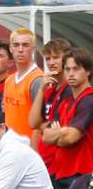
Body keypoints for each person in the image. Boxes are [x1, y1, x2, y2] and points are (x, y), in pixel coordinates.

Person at [42, 48, 93, 189]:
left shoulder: (89, 100)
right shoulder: (65, 102)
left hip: (82, 176)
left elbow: (70, 138)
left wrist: (59, 133)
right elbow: (46, 136)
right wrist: (60, 134)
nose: (71, 74)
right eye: (67, 69)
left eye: (76, 69)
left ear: (88, 71)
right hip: (60, 173)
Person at [29, 38, 73, 179]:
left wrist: (45, 127)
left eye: (56, 57)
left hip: (63, 164)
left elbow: (61, 129)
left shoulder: (71, 89)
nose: (51, 63)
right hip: (46, 161)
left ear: (67, 58)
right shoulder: (49, 88)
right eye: (47, 59)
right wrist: (41, 89)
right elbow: (33, 123)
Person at [3, 28, 43, 145]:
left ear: (33, 48)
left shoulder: (38, 80)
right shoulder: (9, 80)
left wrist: (33, 152)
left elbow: (39, 123)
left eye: (25, 45)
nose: (20, 49)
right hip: (10, 147)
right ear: (10, 48)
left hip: (28, 150)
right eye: (16, 45)